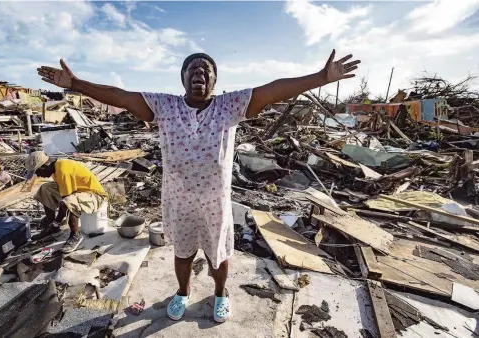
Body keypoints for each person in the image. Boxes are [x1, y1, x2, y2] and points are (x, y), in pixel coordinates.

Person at [37, 49, 359, 322]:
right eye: (192, 68)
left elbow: (271, 91)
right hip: (179, 200)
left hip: (215, 200)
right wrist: (76, 84)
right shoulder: (165, 106)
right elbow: (121, 96)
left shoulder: (228, 106)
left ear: (214, 81)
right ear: (183, 79)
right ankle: (183, 291)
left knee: (218, 253)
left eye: (206, 69)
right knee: (183, 252)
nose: (199, 72)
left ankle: (220, 293)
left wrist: (320, 77)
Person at [26, 151, 108, 253]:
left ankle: (75, 236)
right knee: (45, 189)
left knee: (69, 201)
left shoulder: (63, 170)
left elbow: (65, 203)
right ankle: (52, 228)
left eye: (37, 172)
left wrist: (57, 222)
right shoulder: (55, 168)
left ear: (44, 166)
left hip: (95, 195)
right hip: (79, 191)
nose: (38, 175)